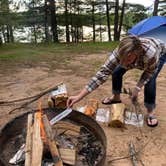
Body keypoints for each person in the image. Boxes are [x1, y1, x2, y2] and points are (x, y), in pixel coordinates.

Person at [67, 35, 166, 127]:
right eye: (121, 58)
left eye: (128, 59)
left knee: (150, 81)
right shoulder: (120, 53)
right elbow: (101, 74)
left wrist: (137, 88)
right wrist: (79, 96)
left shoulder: (151, 55)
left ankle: (150, 111)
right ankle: (116, 97)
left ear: (136, 54)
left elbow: (149, 73)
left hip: (160, 52)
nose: (123, 63)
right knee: (116, 72)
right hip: (139, 54)